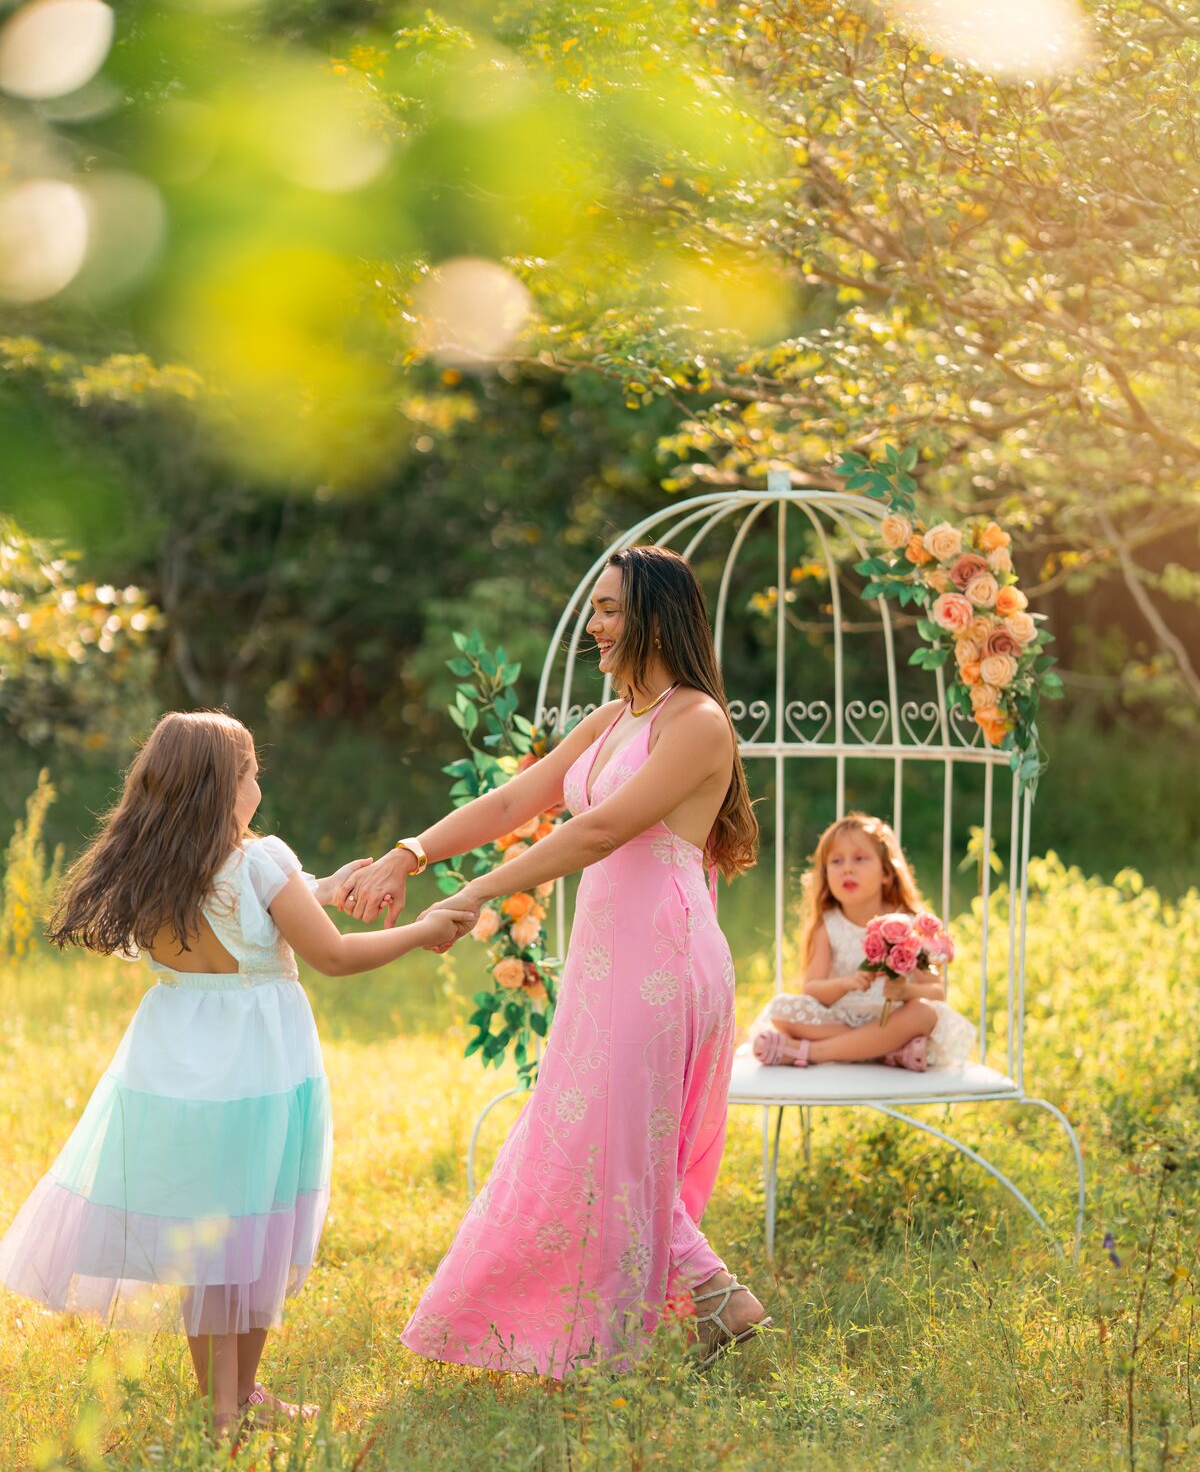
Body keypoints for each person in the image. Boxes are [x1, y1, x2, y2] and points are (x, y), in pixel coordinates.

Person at [341, 545, 767, 1375]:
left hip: (667, 960)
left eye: (611, 610)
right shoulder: (615, 719)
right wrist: (410, 853)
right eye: (596, 610)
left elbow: (597, 832)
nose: (596, 626)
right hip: (609, 961)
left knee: (614, 1141)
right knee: (584, 1134)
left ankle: (640, 1332)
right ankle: (710, 1307)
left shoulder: (697, 722)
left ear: (656, 614)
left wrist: (478, 894)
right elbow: (515, 800)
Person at [0, 710, 473, 1443]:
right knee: (257, 1227)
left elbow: (247, 911)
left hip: (175, 1066)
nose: (259, 782)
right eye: (252, 772)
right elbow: (334, 958)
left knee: (214, 1232)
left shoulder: (155, 865)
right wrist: (422, 932)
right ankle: (230, 1410)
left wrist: (319, 887)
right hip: (258, 1066)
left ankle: (234, 1396)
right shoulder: (259, 861)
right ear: (227, 787)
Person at [749, 811, 975, 1071]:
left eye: (859, 859)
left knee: (925, 1013)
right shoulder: (828, 926)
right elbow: (812, 988)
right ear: (825, 873)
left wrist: (906, 992)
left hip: (894, 1019)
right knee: (782, 1010)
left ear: (886, 873)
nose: (847, 868)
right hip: (841, 1018)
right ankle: (884, 1051)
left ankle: (812, 1052)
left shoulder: (909, 924)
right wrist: (845, 984)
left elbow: (937, 992)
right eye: (836, 861)